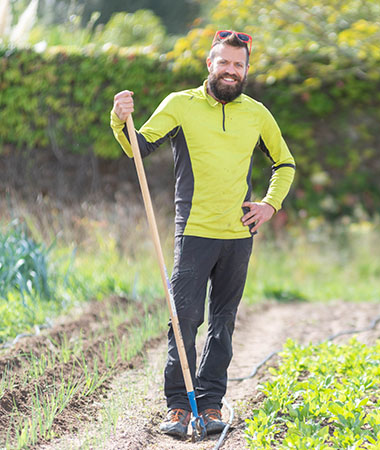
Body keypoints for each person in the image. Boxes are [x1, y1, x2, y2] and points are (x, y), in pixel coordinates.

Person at [110, 30, 296, 438]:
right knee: (184, 320)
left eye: (238, 65)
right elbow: (138, 147)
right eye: (224, 62)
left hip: (238, 236)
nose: (231, 71)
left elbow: (285, 164)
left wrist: (269, 204)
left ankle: (211, 405)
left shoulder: (257, 113)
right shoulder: (181, 104)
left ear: (246, 70)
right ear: (209, 64)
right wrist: (119, 117)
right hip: (193, 232)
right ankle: (178, 406)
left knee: (223, 322)